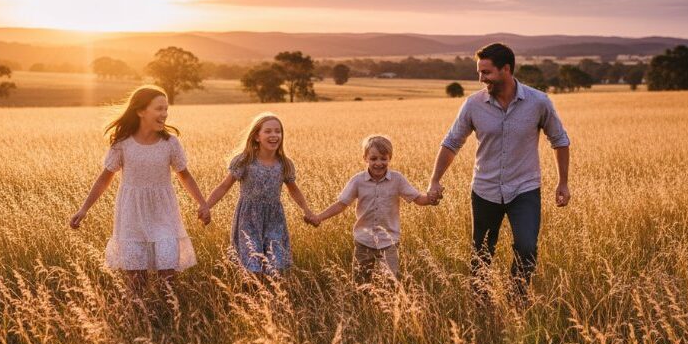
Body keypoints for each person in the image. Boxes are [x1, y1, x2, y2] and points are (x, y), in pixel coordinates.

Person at [428, 43, 571, 301]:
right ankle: (481, 303)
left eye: (487, 72)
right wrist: (435, 180)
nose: (482, 79)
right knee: (482, 252)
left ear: (506, 69)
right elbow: (451, 143)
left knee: (527, 248)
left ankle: (516, 299)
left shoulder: (539, 102)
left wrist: (563, 183)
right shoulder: (473, 105)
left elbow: (560, 140)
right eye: (479, 73)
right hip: (485, 189)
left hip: (524, 189)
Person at [70, 85, 210, 295]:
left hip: (163, 213)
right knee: (136, 281)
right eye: (159, 109)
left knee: (168, 273)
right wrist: (83, 209)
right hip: (132, 215)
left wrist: (203, 203)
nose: (164, 114)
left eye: (166, 109)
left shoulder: (170, 143)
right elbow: (104, 178)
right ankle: (138, 320)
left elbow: (185, 175)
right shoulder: (122, 144)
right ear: (140, 111)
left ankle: (169, 319)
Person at [307, 135, 439, 283]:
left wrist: (431, 199)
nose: (379, 163)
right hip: (364, 241)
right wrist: (319, 217)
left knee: (391, 282)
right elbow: (341, 204)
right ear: (365, 158)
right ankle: (361, 305)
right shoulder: (357, 181)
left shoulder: (397, 179)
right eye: (374, 158)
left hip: (389, 241)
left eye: (383, 158)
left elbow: (418, 199)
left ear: (390, 158)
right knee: (360, 282)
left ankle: (391, 305)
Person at [205, 113, 314, 276]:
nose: (274, 135)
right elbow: (224, 186)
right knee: (252, 264)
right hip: (248, 218)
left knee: (274, 265)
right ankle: (253, 297)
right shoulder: (244, 160)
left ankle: (272, 299)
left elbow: (294, 189)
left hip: (274, 218)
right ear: (257, 136)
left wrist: (307, 211)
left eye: (278, 131)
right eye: (268, 131)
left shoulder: (285, 163)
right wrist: (206, 207)